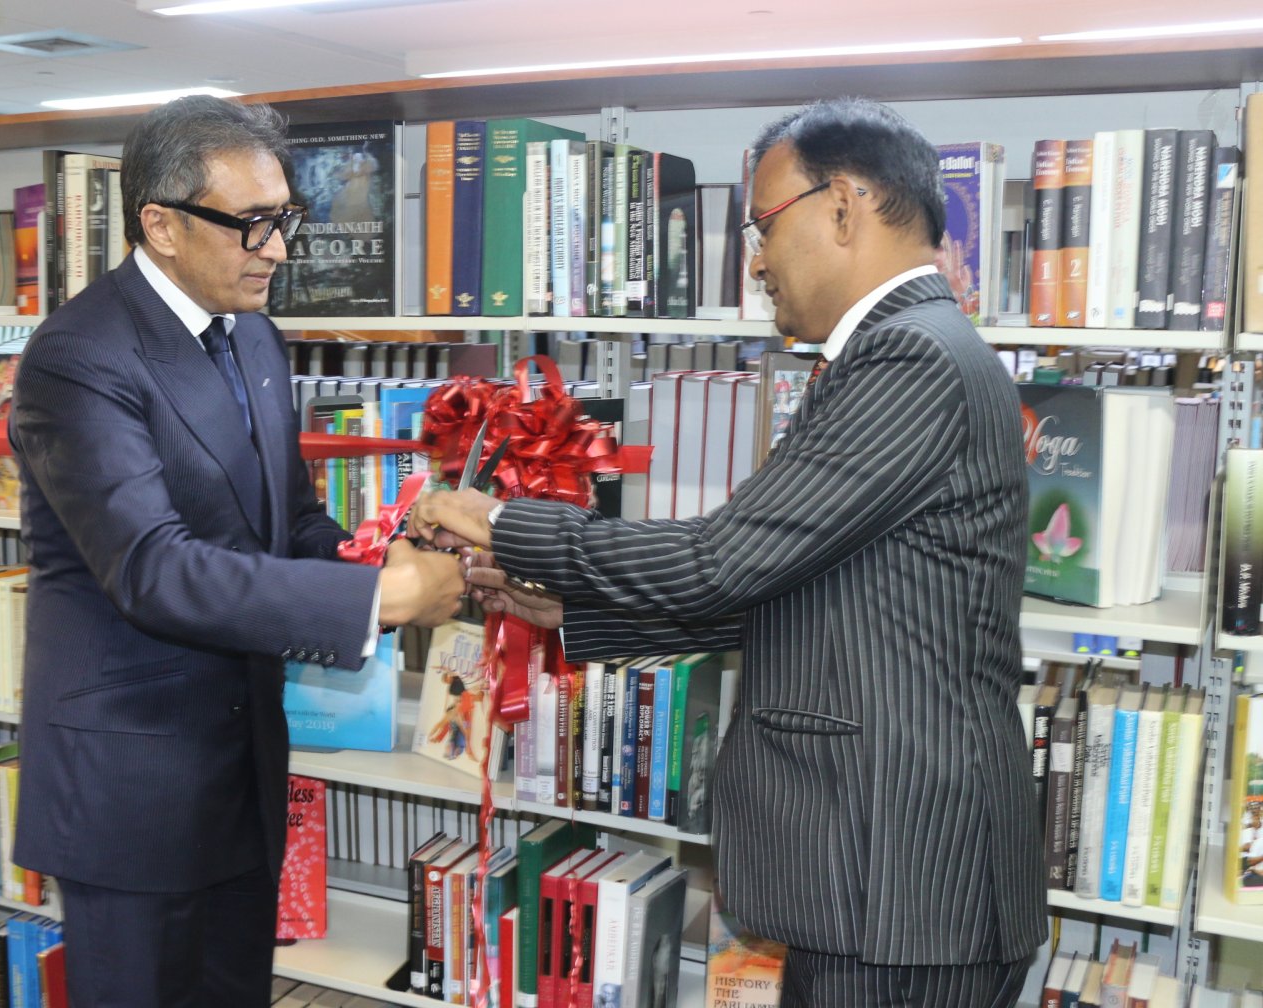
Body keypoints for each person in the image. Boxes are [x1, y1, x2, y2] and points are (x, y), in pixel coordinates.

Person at [413, 97, 1045, 1007]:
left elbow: (727, 559)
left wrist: (503, 521)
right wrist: (580, 609)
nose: (755, 259)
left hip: (903, 884)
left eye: (763, 225)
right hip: (884, 880)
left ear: (844, 206)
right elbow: (803, 581)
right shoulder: (906, 352)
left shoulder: (911, 360)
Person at [7, 95, 464, 1007]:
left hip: (240, 759)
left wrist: (380, 555)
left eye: (284, 219)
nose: (280, 249)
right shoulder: (78, 355)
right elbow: (150, 568)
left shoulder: (252, 333)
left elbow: (284, 517)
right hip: (131, 780)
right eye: (253, 224)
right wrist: (379, 603)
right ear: (160, 225)